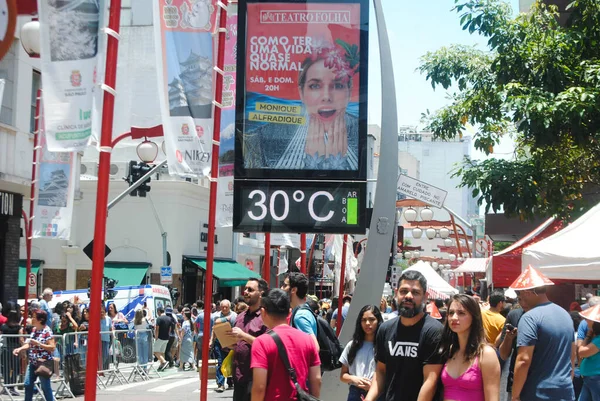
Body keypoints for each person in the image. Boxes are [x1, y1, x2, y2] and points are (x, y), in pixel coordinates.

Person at [243, 41, 360, 171]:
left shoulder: (360, 134)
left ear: (349, 92)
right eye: (315, 86)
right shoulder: (260, 138)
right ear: (301, 93)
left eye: (338, 85)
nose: (326, 96)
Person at [365, 270, 444, 401]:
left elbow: (430, 380)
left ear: (425, 297)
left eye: (415, 292)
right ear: (396, 294)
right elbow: (381, 371)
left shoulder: (434, 331)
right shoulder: (385, 329)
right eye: (403, 291)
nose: (408, 296)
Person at [510, 266, 575, 401]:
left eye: (519, 294)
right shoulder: (565, 314)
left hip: (538, 393)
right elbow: (572, 355)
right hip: (565, 390)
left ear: (527, 292)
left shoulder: (529, 318)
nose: (520, 299)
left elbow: (523, 360)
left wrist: (515, 396)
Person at [250, 289, 321, 401]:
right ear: (289, 312)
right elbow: (316, 379)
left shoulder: (261, 342)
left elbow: (259, 387)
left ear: (263, 312)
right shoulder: (308, 340)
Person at [440, 294, 500, 401]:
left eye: (461, 313)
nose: (454, 317)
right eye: (451, 313)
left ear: (474, 317)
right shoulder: (448, 350)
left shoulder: (486, 354)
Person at [229, 278, 269, 401]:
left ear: (261, 293)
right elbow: (238, 343)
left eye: (250, 290)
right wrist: (229, 343)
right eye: (245, 289)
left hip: (256, 378)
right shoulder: (240, 317)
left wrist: (243, 336)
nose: (245, 292)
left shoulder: (266, 317)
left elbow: (268, 346)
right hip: (239, 377)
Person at [339, 305, 384, 401]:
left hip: (378, 394)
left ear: (378, 321)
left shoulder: (384, 346)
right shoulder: (352, 346)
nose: (367, 323)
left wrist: (373, 386)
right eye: (364, 320)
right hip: (355, 393)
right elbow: (343, 375)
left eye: (372, 319)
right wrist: (354, 379)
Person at [13, 310, 55, 401]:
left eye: (34, 317)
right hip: (33, 362)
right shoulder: (34, 330)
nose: (31, 319)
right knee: (27, 384)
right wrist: (20, 349)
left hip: (43, 363)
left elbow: (52, 347)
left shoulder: (47, 331)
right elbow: (30, 344)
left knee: (45, 387)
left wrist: (39, 344)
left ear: (40, 320)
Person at [282, 272, 319, 348]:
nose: (281, 288)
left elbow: (314, 347)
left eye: (285, 285)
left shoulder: (300, 316)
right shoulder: (302, 311)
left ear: (294, 290)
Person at [210, 299, 237, 392]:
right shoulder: (216, 316)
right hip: (219, 342)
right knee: (220, 362)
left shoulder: (234, 316)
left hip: (231, 342)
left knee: (231, 362)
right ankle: (221, 384)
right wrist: (211, 341)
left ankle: (230, 381)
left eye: (226, 307)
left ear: (230, 307)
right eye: (223, 307)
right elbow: (214, 330)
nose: (224, 309)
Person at [577, 304, 600, 401]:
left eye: (589, 319)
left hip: (596, 379)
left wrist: (587, 336)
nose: (586, 321)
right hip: (590, 378)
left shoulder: (598, 340)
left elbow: (582, 352)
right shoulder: (596, 338)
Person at [1, 309, 23, 396]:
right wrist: (23, 349)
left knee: (5, 369)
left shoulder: (3, 326)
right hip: (15, 349)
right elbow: (21, 339)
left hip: (5, 349)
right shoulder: (18, 327)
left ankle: (6, 386)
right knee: (14, 368)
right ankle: (12, 387)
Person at [154, 307, 170, 371]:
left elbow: (157, 329)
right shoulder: (169, 318)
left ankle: (164, 361)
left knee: (155, 351)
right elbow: (170, 328)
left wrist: (156, 337)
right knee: (162, 352)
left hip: (160, 337)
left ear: (158, 311)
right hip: (167, 337)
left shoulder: (159, 319)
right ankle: (162, 365)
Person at [100, 304, 112, 371]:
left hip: (106, 339)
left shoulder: (108, 319)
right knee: (99, 356)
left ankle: (102, 368)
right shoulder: (97, 319)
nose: (101, 313)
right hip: (99, 340)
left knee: (105, 355)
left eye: (103, 312)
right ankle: (100, 369)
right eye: (100, 312)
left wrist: (113, 336)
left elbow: (110, 328)